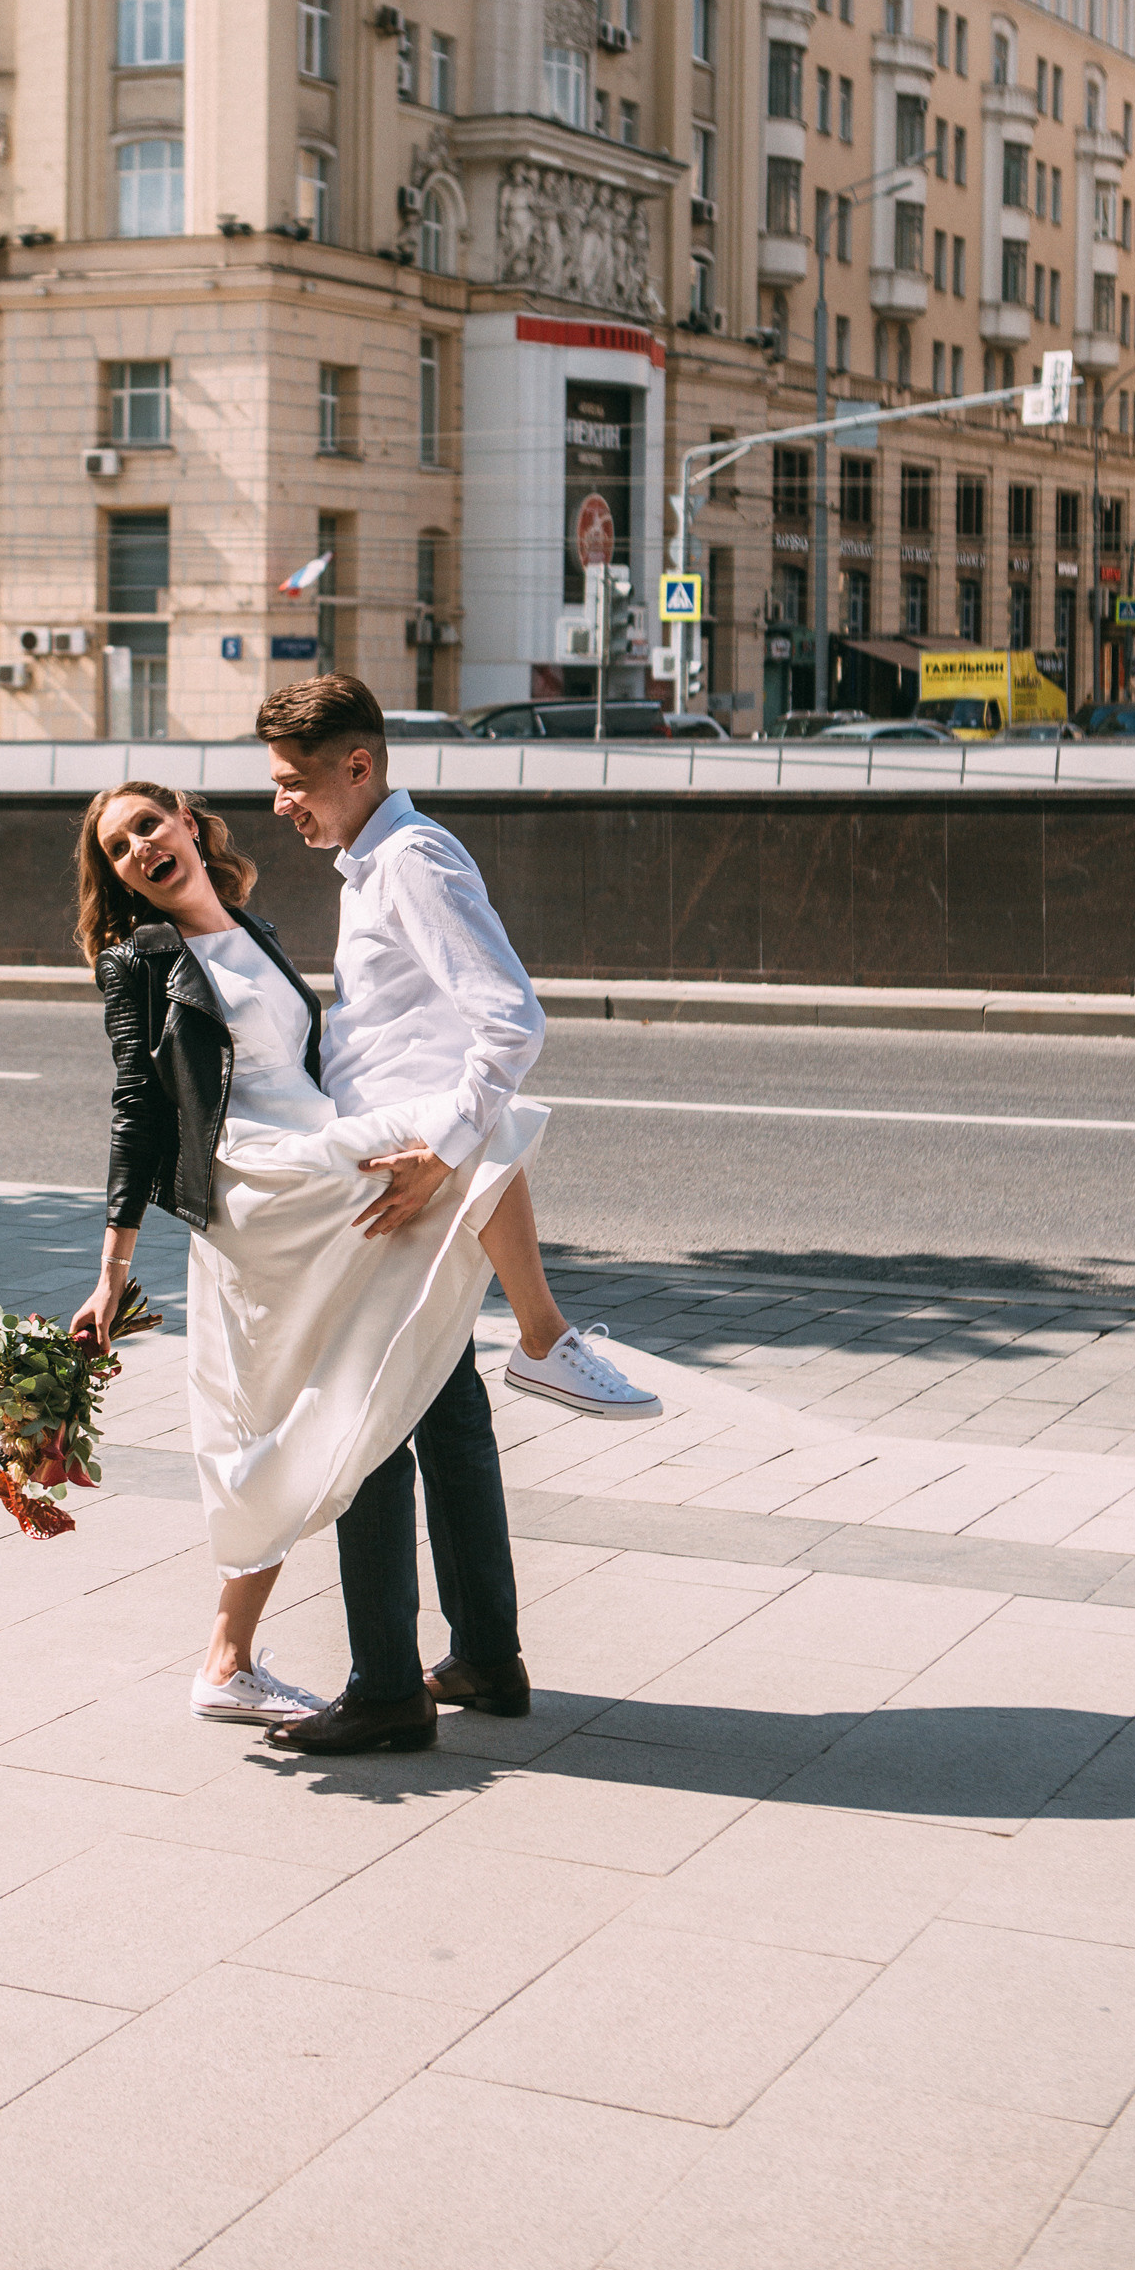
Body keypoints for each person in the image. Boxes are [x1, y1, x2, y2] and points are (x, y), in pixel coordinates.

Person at [68, 778, 568, 1734]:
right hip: (271, 1188)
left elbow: (316, 1065)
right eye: (118, 850)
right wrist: (113, 1269)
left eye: (146, 826)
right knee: (386, 1355)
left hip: (329, 1170)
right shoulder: (139, 959)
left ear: (184, 819)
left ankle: (479, 1660)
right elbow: (138, 1112)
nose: (137, 850)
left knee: (441, 1381)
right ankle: (544, 1339)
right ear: (119, 879)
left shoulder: (250, 929)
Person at [254, 672, 659, 1760]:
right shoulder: (371, 863)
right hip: (401, 1175)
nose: (280, 803)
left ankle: (386, 1689)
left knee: (367, 1425)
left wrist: (443, 1150)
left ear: (359, 766)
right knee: (443, 1414)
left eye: (295, 783)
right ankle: (485, 1654)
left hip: (410, 1184)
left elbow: (509, 1020)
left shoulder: (412, 862)